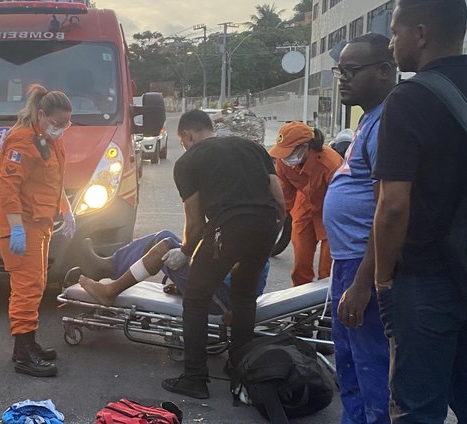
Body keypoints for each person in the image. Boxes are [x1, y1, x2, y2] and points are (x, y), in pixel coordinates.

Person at [374, 0, 467, 422]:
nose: (392, 43)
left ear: (421, 33)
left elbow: (394, 205)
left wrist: (382, 279)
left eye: (395, 32)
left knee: (417, 407)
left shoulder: (410, 98)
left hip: (427, 279)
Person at [161, 110, 285, 399]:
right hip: (265, 225)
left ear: (186, 135)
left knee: (196, 297)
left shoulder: (188, 161)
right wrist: (269, 236)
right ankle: (240, 368)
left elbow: (195, 221)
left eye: (183, 141)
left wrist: (186, 251)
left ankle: (194, 377)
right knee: (244, 298)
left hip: (228, 227)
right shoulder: (253, 148)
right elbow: (279, 199)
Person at [323, 33, 395, 424]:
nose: (342, 79)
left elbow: (389, 207)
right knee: (349, 364)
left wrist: (364, 282)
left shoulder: (387, 122)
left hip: (362, 265)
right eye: (340, 71)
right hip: (346, 260)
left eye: (351, 71)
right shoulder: (369, 119)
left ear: (384, 71)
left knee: (371, 370)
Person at [0, 84, 75, 378]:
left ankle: (28, 343)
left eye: (67, 123)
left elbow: (53, 180)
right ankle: (23, 353)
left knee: (37, 283)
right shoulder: (23, 140)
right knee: (27, 286)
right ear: (41, 114)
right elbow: (8, 189)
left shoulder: (48, 140)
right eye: (59, 123)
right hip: (18, 221)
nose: (64, 128)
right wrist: (16, 229)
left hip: (38, 220)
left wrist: (66, 209)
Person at [75, 232, 270, 315]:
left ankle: (109, 292)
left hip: (222, 303)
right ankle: (109, 266)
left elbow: (245, 291)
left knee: (163, 249)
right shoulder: (240, 224)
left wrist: (236, 314)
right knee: (164, 237)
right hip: (213, 286)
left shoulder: (251, 242)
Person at [269, 122, 342, 286]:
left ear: (305, 147)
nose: (285, 158)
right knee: (301, 264)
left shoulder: (331, 164)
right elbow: (285, 200)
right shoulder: (283, 162)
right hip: (304, 205)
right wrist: (272, 227)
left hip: (332, 210)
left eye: (290, 151)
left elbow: (342, 200)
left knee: (328, 268)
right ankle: (300, 302)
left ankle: (327, 305)